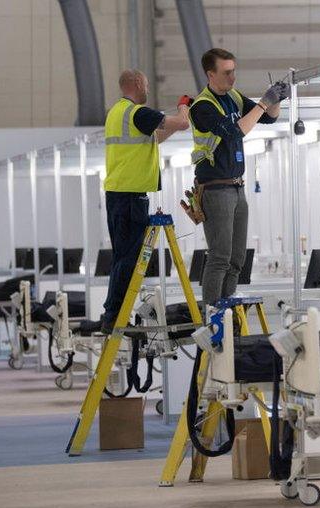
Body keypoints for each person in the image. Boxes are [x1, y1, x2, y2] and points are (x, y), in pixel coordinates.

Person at [189, 48, 287, 306]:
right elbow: (234, 132)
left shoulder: (232, 96)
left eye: (234, 71)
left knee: (237, 259)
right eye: (227, 72)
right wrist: (264, 101)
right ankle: (212, 315)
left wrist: (275, 100)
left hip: (236, 188)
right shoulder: (202, 107)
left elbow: (267, 118)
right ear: (211, 74)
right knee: (220, 256)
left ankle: (228, 308)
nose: (233, 77)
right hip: (215, 189)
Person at [100, 69, 190, 334]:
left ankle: (113, 313)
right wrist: (183, 108)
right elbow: (182, 123)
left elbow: (155, 137)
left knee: (121, 257)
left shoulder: (117, 114)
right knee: (129, 258)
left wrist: (172, 124)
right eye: (147, 84)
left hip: (118, 194)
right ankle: (114, 316)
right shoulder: (137, 113)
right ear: (138, 83)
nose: (148, 89)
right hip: (131, 196)